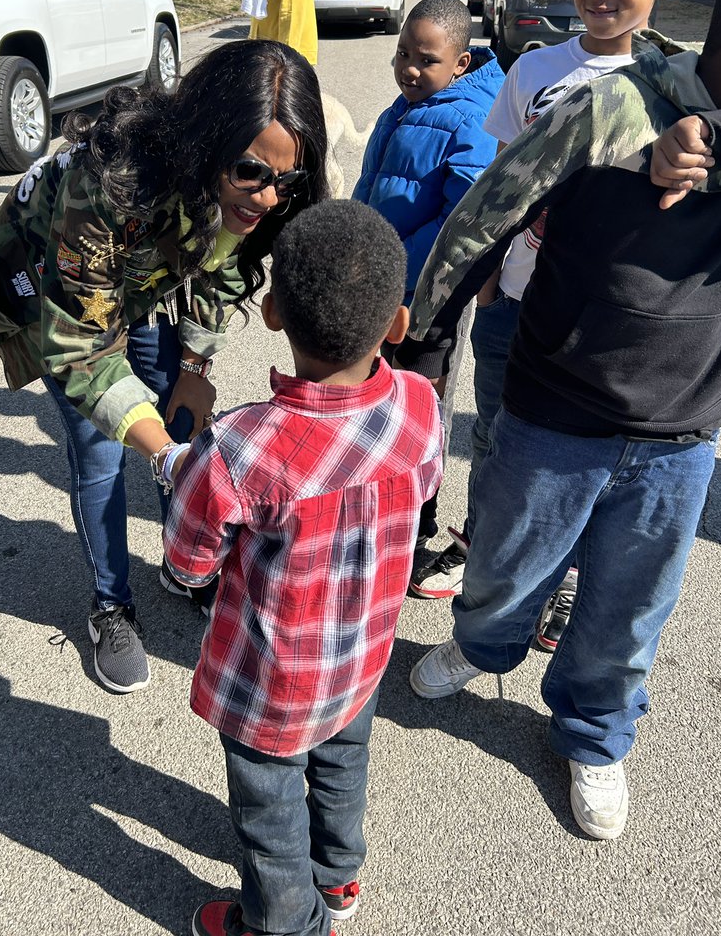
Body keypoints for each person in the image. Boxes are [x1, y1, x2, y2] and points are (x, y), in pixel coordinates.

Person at [397, 0, 721, 842]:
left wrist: (714, 142)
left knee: (627, 608)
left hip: (682, 427)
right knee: (506, 564)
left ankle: (593, 734)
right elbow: (488, 214)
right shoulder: (611, 105)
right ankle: (482, 646)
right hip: (558, 397)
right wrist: (410, 333)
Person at [0, 40, 329, 694]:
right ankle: (110, 605)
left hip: (146, 281)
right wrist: (165, 454)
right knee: (103, 449)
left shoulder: (257, 191)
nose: (269, 198)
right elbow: (81, 350)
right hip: (53, 288)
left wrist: (195, 362)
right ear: (204, 144)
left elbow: (223, 265)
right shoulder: (103, 190)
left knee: (178, 417)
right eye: (250, 173)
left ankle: (186, 563)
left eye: (286, 180)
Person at [163, 199, 442, 936]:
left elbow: (189, 565)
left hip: (273, 684)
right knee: (345, 762)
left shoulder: (237, 447)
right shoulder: (419, 404)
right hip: (363, 657)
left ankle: (284, 922)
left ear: (273, 311)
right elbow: (427, 487)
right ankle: (339, 877)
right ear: (396, 325)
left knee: (268, 800)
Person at [409, 0, 683, 624]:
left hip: (606, 321)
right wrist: (490, 285)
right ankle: (481, 549)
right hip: (518, 304)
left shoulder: (674, 86)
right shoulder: (532, 69)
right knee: (496, 436)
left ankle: (557, 583)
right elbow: (497, 191)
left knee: (581, 465)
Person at [352, 0, 501, 576]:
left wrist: (394, 271)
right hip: (380, 287)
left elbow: (459, 221)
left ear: (460, 63)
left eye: (426, 60)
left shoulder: (471, 117)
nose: (409, 69)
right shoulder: (408, 103)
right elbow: (375, 184)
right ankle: (375, 514)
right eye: (401, 54)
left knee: (420, 414)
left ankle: (414, 532)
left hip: (426, 300)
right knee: (376, 405)